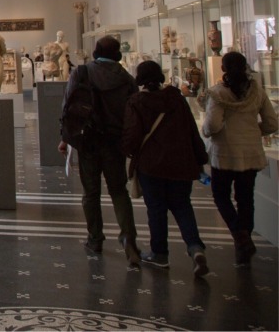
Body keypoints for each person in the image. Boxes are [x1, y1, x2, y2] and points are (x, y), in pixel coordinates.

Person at [58, 36, 141, 265]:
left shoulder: (82, 73)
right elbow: (133, 114)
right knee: (118, 191)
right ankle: (128, 238)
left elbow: (68, 106)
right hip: (115, 143)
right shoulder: (126, 79)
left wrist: (64, 138)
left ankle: (95, 238)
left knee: (90, 193)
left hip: (88, 141)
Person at [123, 60, 209, 276]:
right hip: (181, 162)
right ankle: (196, 248)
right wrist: (200, 159)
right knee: (182, 206)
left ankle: (160, 253)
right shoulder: (176, 99)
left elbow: (132, 135)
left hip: (152, 164)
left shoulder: (137, 101)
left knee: (156, 209)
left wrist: (125, 151)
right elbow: (191, 131)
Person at [201, 51, 278, 266]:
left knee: (221, 195)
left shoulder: (218, 94)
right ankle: (244, 240)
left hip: (224, 153)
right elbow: (272, 123)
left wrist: (208, 132)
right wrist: (253, 132)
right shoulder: (257, 93)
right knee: (246, 199)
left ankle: (239, 235)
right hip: (251, 152)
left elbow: (212, 125)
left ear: (223, 69)